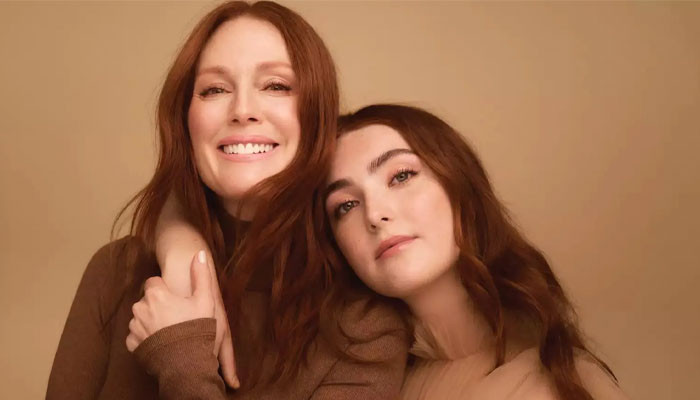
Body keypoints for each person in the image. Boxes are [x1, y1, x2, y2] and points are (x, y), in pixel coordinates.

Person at [46, 2, 409, 399]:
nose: (242, 111)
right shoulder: (116, 272)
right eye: (215, 89)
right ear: (185, 122)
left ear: (317, 116)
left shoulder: (366, 328)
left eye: (276, 85)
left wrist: (181, 356)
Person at [157, 104, 629, 400]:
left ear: (460, 186)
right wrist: (181, 242)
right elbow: (190, 192)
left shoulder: (565, 382)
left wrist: (183, 365)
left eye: (401, 176)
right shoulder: (358, 375)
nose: (376, 214)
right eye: (344, 205)